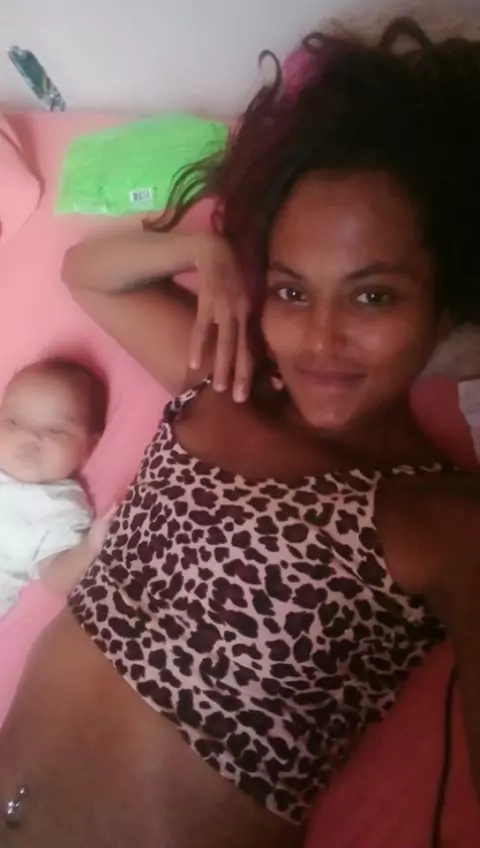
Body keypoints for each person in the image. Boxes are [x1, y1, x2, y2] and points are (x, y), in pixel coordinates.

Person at [0, 17, 480, 848]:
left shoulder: (442, 522)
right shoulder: (225, 383)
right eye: (292, 291)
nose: (320, 340)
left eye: (373, 296)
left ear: (449, 304)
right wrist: (205, 252)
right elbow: (88, 275)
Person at [0, 357, 109, 616]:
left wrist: (90, 547)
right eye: (13, 422)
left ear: (88, 446)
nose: (30, 437)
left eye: (55, 430)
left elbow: (55, 579)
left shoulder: (63, 507)